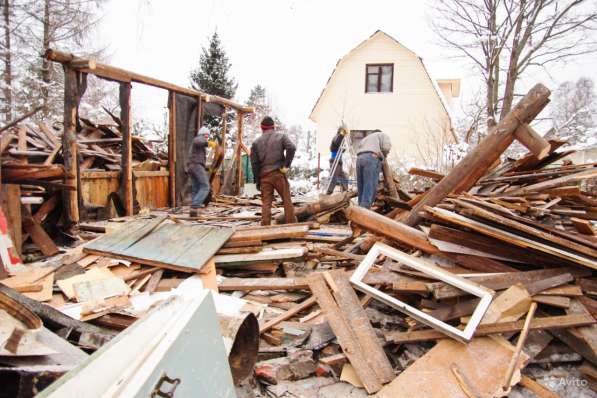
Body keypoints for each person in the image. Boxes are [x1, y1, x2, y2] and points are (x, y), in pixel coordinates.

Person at [250, 116, 298, 226]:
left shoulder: (256, 143)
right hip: (278, 174)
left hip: (264, 176)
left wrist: (257, 180)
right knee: (286, 199)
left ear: (262, 128)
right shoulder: (281, 136)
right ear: (273, 127)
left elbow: (254, 164)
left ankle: (265, 226)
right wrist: (286, 165)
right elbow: (291, 148)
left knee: (266, 202)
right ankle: (291, 225)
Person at [356, 129, 391, 208]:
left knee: (361, 185)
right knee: (370, 185)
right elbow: (386, 147)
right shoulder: (382, 135)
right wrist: (383, 156)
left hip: (359, 158)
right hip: (372, 157)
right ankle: (365, 210)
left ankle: (359, 208)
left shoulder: (365, 139)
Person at [186, 126, 216, 217]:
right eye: (206, 136)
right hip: (196, 165)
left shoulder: (199, 145)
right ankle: (195, 206)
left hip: (193, 166)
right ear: (202, 134)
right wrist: (208, 143)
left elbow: (199, 158)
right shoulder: (198, 139)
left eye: (208, 136)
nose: (207, 138)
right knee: (205, 186)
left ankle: (193, 211)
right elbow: (199, 141)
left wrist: (207, 168)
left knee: (196, 187)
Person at [326, 127, 349, 195]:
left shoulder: (339, 138)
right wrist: (341, 135)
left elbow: (339, 147)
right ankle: (328, 192)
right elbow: (337, 141)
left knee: (343, 176)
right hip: (335, 160)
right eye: (344, 133)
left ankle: (345, 191)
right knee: (334, 177)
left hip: (338, 161)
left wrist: (343, 149)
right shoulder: (337, 137)